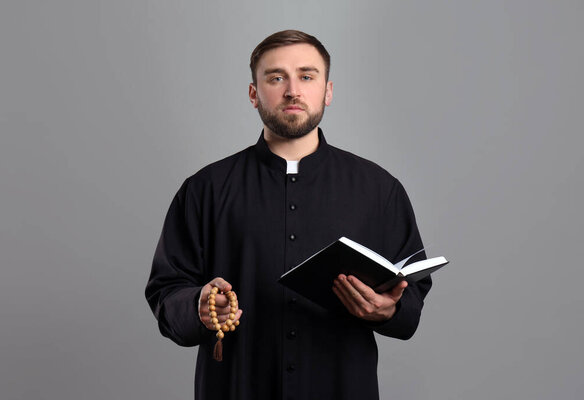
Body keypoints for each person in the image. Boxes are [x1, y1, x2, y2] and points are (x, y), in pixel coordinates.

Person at [145, 29, 433, 400]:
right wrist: (198, 305)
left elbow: (412, 292)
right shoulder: (205, 189)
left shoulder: (378, 188)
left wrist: (388, 310)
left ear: (327, 91)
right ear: (254, 94)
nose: (292, 90)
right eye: (276, 77)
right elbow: (166, 292)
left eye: (307, 76)